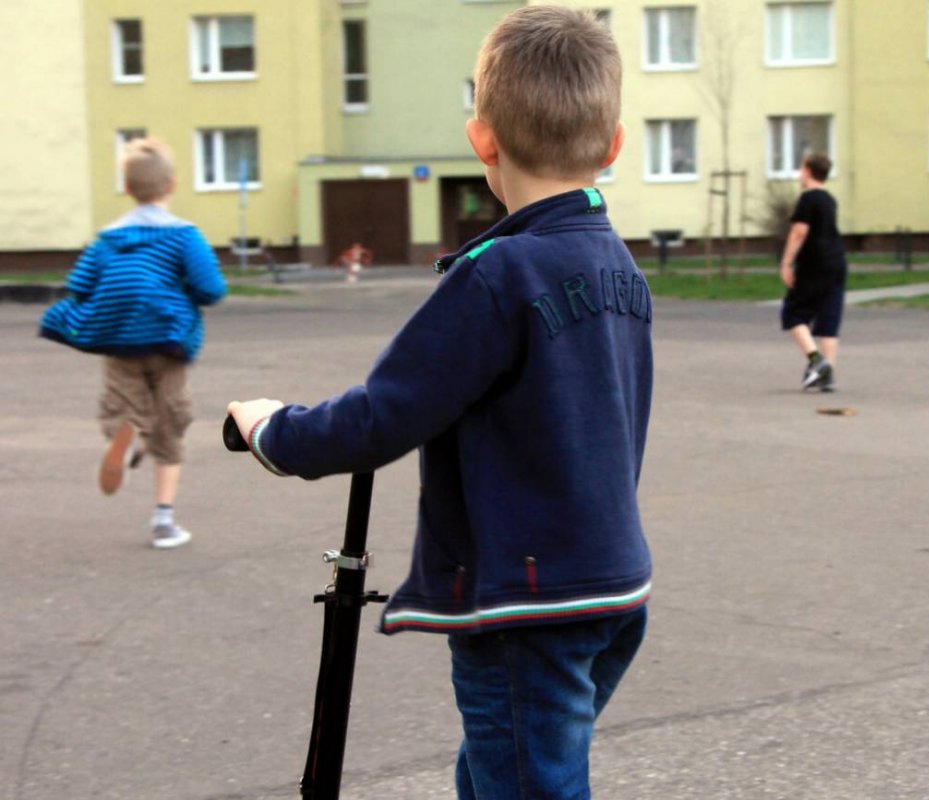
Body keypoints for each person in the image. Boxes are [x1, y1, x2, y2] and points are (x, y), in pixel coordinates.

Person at [226, 8, 652, 798]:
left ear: (481, 138)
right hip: (611, 582)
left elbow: (380, 416)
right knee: (508, 769)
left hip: (531, 602)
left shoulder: (497, 275)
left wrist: (271, 429)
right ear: (615, 144)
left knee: (523, 777)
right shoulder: (618, 266)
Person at [40, 137, 227, 549]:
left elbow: (80, 286)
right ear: (172, 185)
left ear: (126, 188)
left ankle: (126, 439)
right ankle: (163, 520)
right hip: (169, 343)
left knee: (127, 409)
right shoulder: (183, 236)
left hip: (120, 343)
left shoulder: (107, 239)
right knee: (170, 426)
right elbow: (211, 288)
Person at [778, 153, 848, 392]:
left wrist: (786, 263)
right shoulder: (829, 199)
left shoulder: (808, 199)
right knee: (829, 317)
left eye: (801, 169)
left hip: (814, 264)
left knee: (793, 313)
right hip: (837, 262)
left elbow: (799, 232)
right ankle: (827, 376)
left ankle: (818, 362)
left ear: (808, 171)